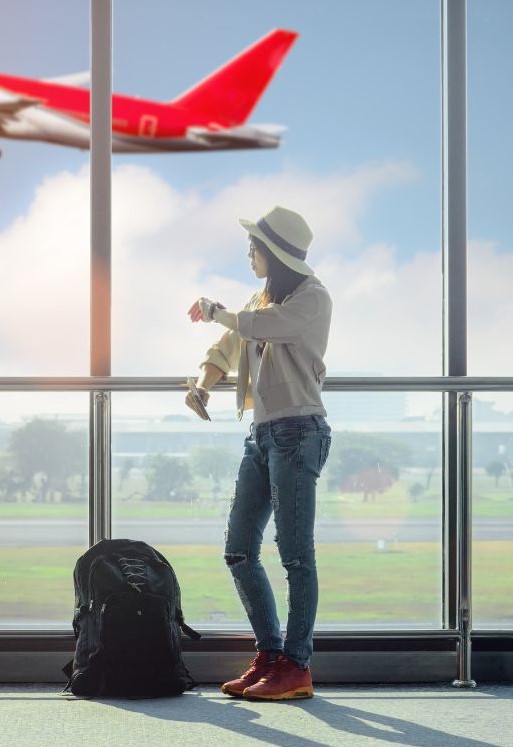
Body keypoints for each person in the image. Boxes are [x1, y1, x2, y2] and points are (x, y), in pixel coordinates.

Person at [186, 205, 332, 701]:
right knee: (240, 549)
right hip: (263, 435)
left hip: (298, 432)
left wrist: (215, 310)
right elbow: (229, 346)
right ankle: (271, 656)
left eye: (254, 244)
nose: (248, 251)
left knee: (295, 557)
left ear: (274, 252)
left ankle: (297, 666)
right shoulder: (261, 299)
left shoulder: (312, 299)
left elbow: (255, 327)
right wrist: (203, 385)